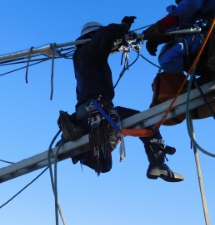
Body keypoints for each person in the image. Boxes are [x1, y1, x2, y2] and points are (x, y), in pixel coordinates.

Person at [72, 17, 184, 183]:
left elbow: (104, 41)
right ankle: (157, 163)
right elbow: (105, 34)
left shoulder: (82, 57)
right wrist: (124, 27)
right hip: (99, 110)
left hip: (87, 115)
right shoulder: (90, 49)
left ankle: (83, 154)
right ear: (92, 37)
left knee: (105, 165)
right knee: (147, 122)